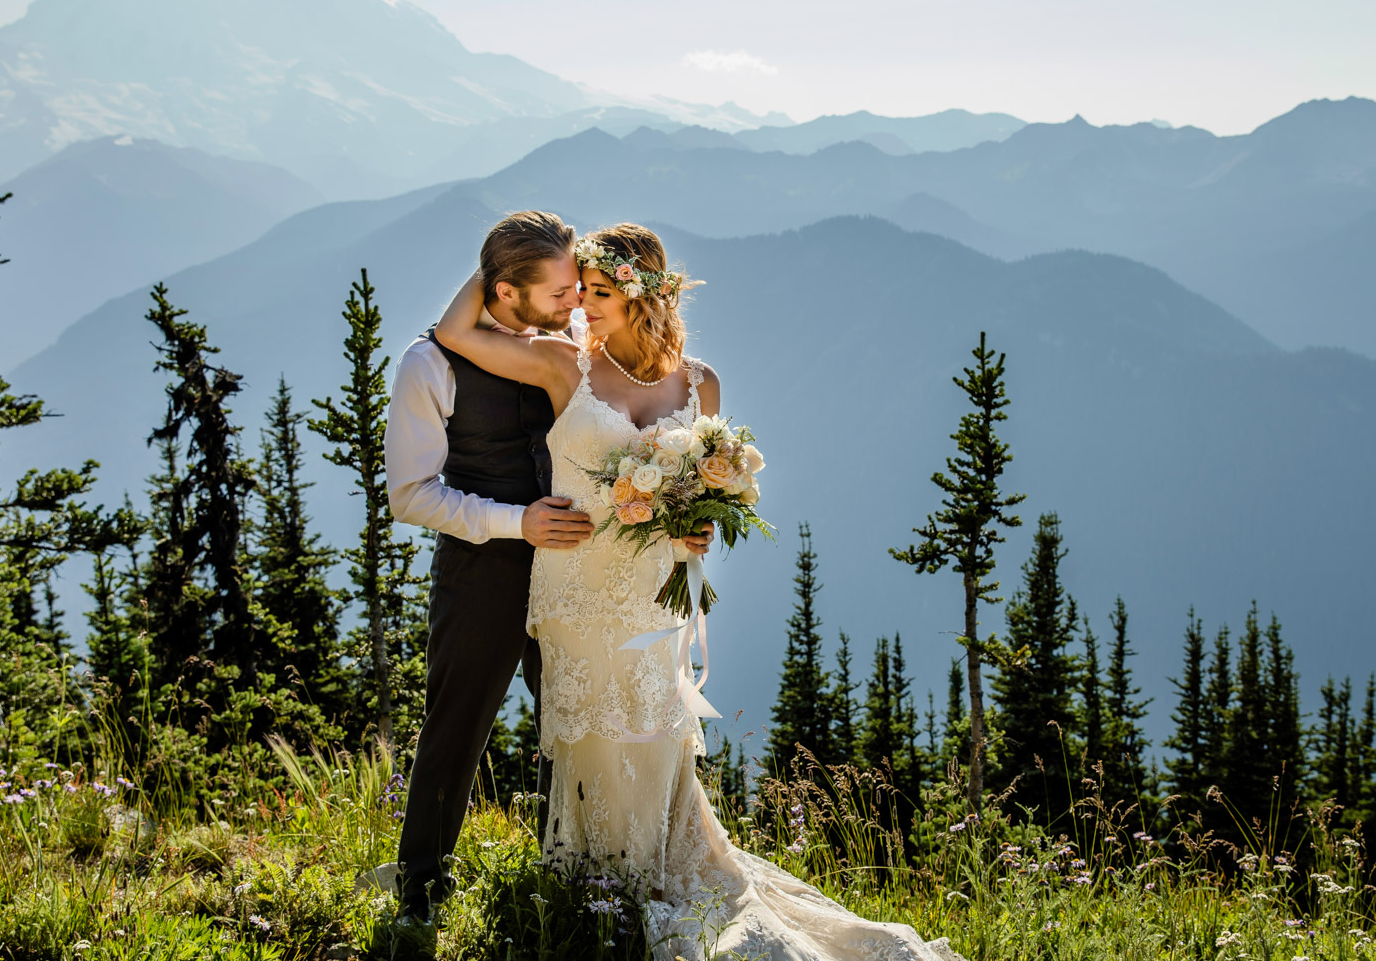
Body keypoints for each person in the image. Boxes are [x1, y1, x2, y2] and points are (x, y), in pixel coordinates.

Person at [434, 222, 960, 960]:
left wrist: (699, 528)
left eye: (601, 292)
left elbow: (700, 493)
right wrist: (494, 264)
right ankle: (591, 885)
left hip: (657, 594)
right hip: (578, 588)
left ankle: (643, 878)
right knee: (589, 733)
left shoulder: (700, 382)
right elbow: (454, 331)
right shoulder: (562, 366)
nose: (581, 303)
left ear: (645, 297)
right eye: (580, 289)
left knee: (654, 735)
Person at [384, 210, 713, 922]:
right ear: (504, 292)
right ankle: (419, 890)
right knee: (459, 720)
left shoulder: (566, 344)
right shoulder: (430, 365)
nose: (576, 308)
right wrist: (515, 523)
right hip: (487, 568)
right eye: (562, 292)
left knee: (575, 727)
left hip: (584, 572)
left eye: (582, 289)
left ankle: (571, 880)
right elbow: (409, 495)